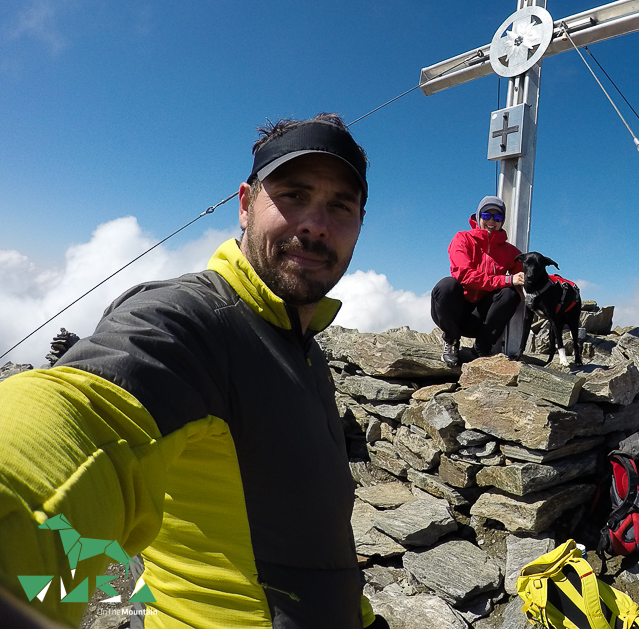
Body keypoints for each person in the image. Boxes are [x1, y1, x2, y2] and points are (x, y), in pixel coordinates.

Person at [0, 114, 385, 629]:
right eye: (293, 195)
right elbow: (79, 413)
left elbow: (317, 538)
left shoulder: (303, 348)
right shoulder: (189, 320)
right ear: (245, 206)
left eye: (340, 205)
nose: (316, 224)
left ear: (360, 222)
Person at [430, 196, 524, 365]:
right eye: (487, 215)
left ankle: (482, 346)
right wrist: (507, 279)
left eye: (497, 218)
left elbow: (528, 274)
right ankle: (451, 342)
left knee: (510, 294)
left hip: (480, 318)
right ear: (478, 216)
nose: (491, 221)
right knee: (447, 285)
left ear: (502, 221)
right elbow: (464, 275)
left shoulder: (510, 251)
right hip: (454, 313)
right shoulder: (462, 238)